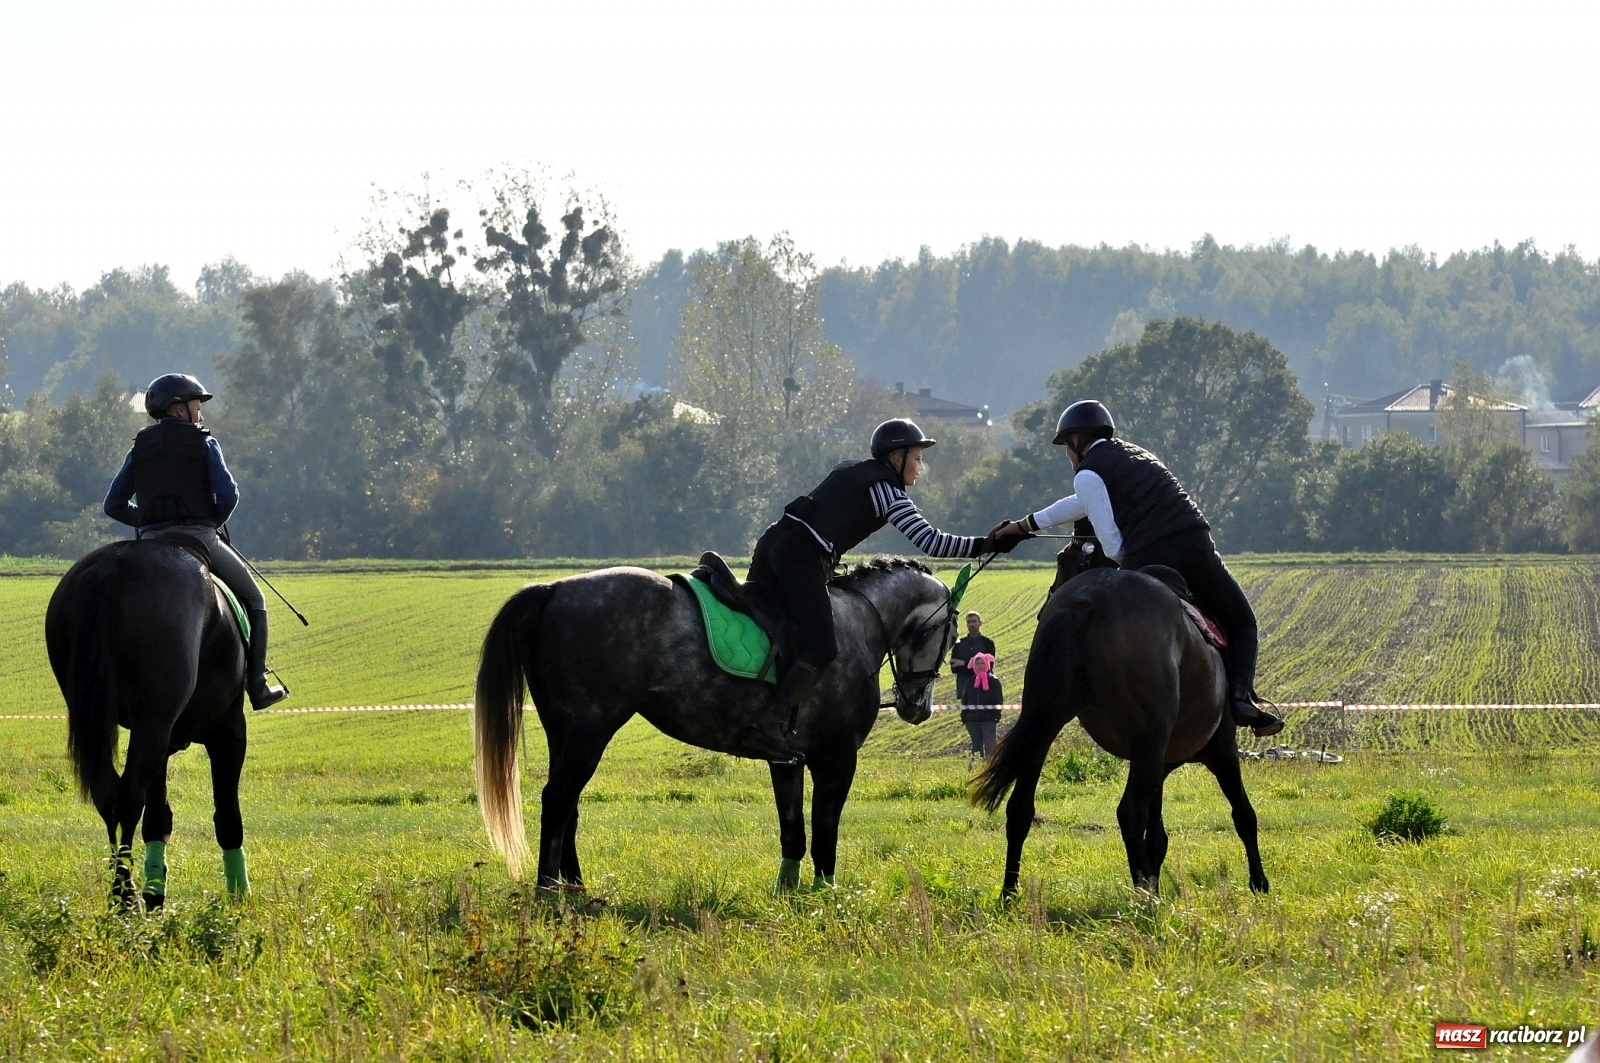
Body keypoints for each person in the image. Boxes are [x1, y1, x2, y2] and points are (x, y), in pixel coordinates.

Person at [742, 418, 1027, 764]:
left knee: (775, 630)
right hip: (801, 558)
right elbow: (930, 541)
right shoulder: (887, 491)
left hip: (773, 544)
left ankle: (765, 708)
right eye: (917, 458)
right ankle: (768, 723)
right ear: (896, 458)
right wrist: (987, 544)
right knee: (820, 646)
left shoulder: (853, 470)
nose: (920, 467)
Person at [994, 400, 1283, 737]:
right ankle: (1242, 700)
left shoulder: (1088, 473)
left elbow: (1114, 546)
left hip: (1150, 554)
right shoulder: (1137, 455)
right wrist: (1022, 526)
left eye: (1066, 448)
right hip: (1194, 543)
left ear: (1076, 440)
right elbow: (1077, 504)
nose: (1068, 456)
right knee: (1242, 621)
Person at [104, 373, 289, 710]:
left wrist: (146, 520)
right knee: (255, 598)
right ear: (178, 408)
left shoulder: (139, 448)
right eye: (195, 405)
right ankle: (258, 685)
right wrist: (210, 521)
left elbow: (113, 505)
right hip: (200, 536)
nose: (200, 413)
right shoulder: (204, 443)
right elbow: (229, 494)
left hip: (153, 541)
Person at [960, 650, 1004, 767]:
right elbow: (965, 700)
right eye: (977, 663)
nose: (979, 666)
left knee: (990, 748)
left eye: (982, 663)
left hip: (988, 720)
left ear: (987, 664)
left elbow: (998, 700)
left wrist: (995, 716)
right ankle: (974, 771)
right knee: (976, 749)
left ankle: (991, 769)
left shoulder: (993, 681)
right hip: (972, 721)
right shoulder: (970, 682)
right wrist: (965, 717)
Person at [949, 611, 995, 703]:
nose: (971, 624)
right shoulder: (959, 644)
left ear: (980, 623)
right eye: (969, 622)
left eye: (974, 621)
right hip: (965, 688)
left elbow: (988, 666)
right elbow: (954, 668)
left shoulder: (988, 643)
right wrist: (977, 665)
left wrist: (964, 663)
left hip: (984, 687)